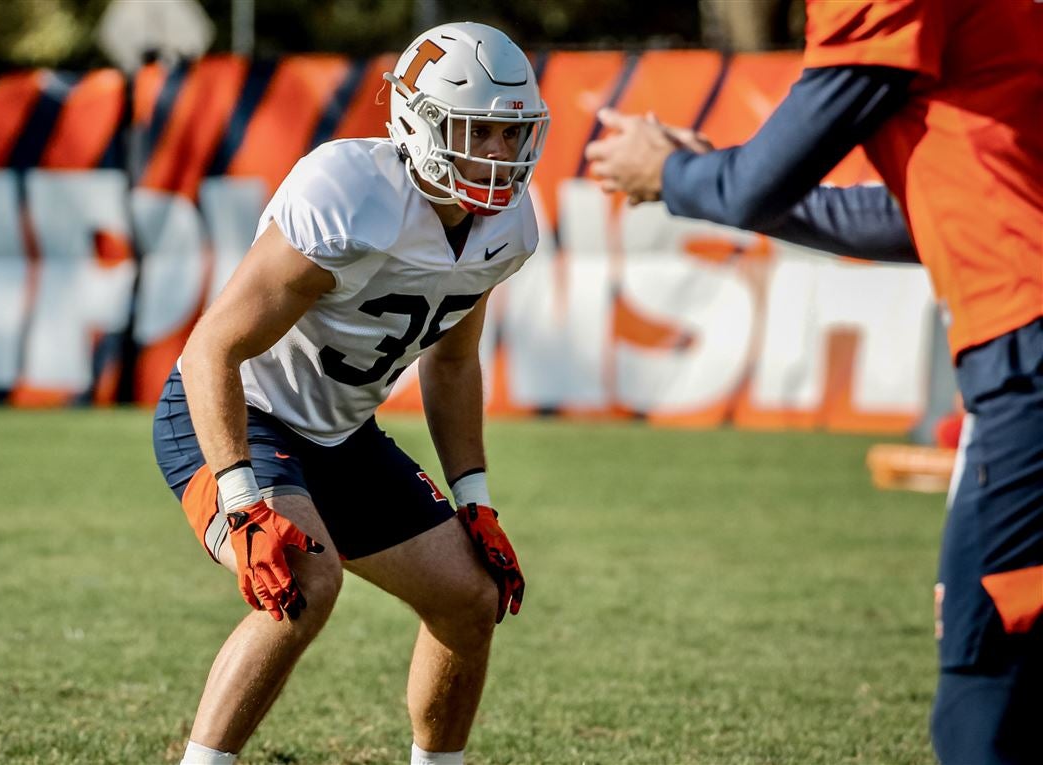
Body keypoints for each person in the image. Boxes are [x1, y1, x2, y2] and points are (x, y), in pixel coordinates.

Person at [585, 2, 1042, 763]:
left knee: (980, 690)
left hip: (1025, 352)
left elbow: (755, 185)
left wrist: (669, 170)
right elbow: (910, 217)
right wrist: (709, 178)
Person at [152, 21, 548, 765]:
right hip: (239, 412)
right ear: (418, 121)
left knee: (471, 599)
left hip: (339, 434)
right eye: (477, 130)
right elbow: (213, 347)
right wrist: (242, 500)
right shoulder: (350, 190)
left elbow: (454, 362)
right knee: (303, 576)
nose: (499, 155)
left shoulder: (509, 229)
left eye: (510, 133)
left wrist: (477, 498)